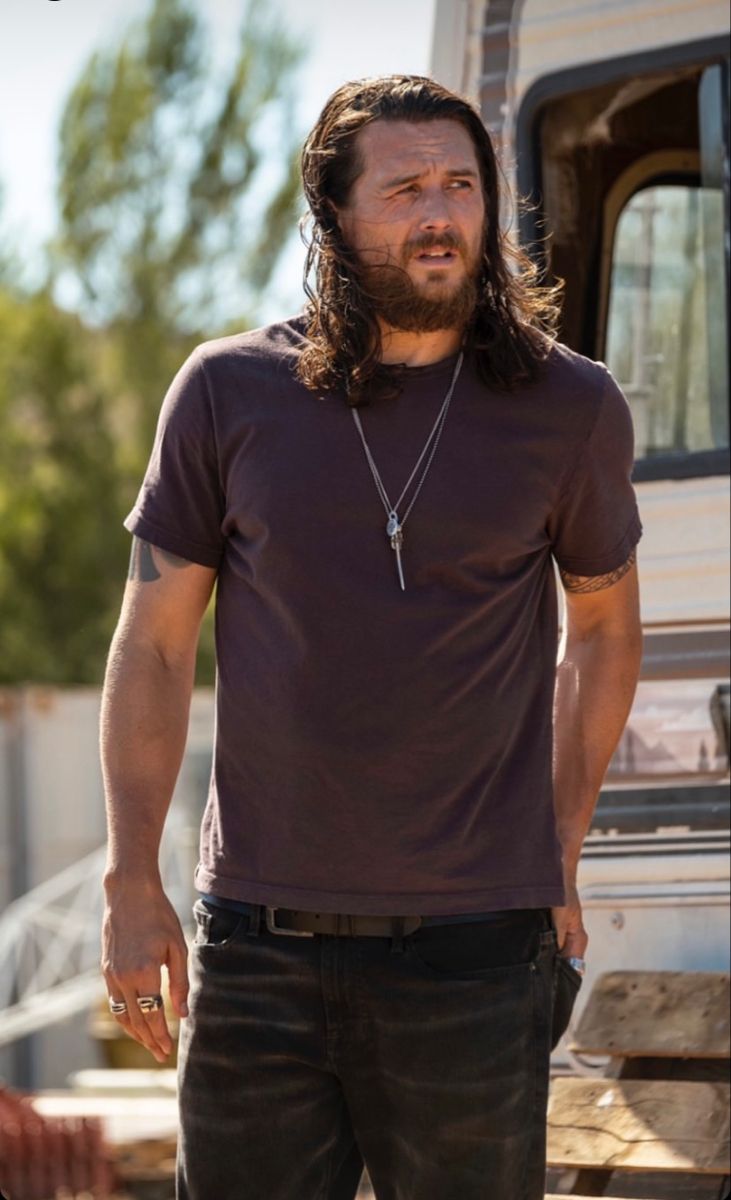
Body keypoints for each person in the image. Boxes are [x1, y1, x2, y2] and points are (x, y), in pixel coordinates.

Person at [100, 75, 643, 1200]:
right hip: (257, 948)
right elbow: (153, 643)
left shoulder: (569, 406)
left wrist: (558, 837)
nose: (440, 214)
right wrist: (127, 877)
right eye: (403, 190)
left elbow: (599, 629)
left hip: (476, 953)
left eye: (459, 186)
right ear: (334, 218)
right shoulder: (226, 391)